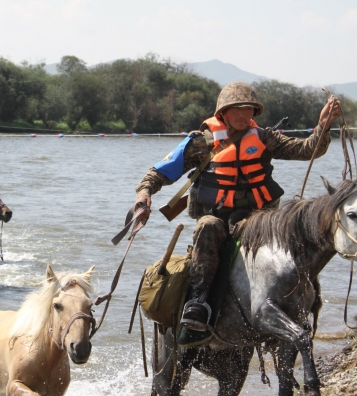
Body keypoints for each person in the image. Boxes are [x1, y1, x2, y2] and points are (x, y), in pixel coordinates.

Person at [133, 82, 341, 344]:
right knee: (207, 225)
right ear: (223, 113)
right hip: (217, 218)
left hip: (258, 219)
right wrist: (144, 195)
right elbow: (161, 172)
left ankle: (297, 307)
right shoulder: (202, 143)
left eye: (249, 110)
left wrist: (323, 125)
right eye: (238, 111)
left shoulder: (265, 138)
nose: (245, 116)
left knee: (294, 238)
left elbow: (308, 150)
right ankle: (199, 301)